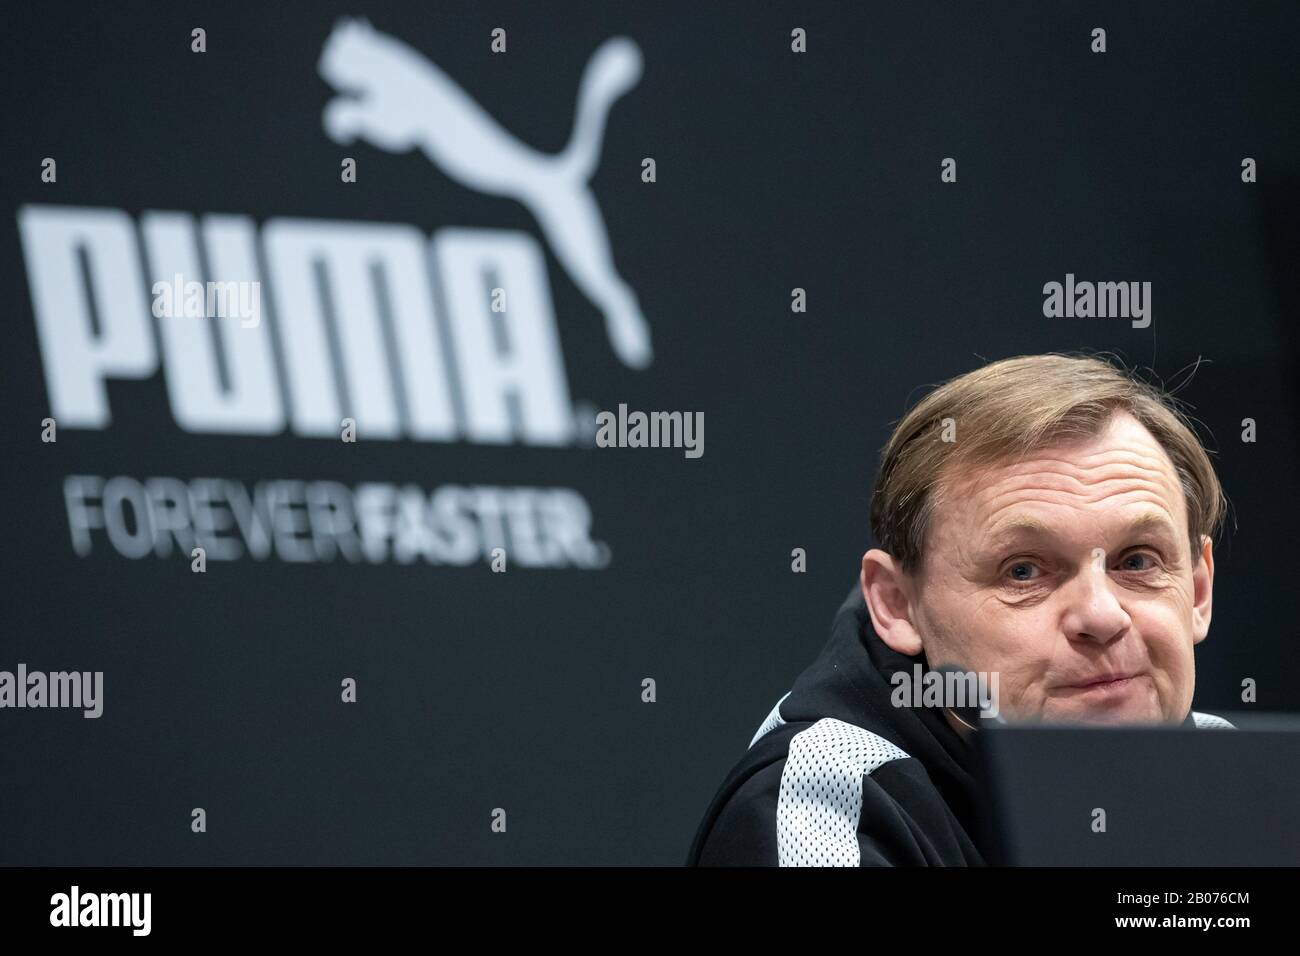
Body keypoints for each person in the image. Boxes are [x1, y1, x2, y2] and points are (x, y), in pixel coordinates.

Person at [687, 353, 1235, 866]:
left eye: (1137, 561)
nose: (1102, 616)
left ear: (1198, 589)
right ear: (897, 606)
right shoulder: (826, 800)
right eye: (1023, 571)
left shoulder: (1235, 771)